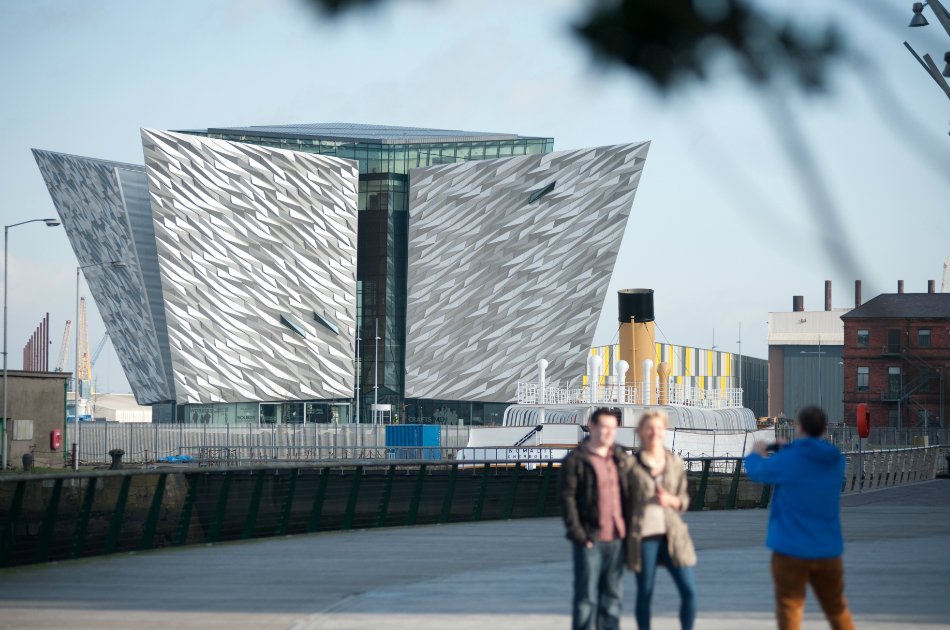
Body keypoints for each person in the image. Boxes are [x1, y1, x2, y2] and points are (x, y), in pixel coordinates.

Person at [744, 405, 855, 630]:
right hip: (827, 549)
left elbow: (757, 472)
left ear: (799, 427)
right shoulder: (835, 460)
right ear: (824, 428)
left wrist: (756, 452)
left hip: (790, 549)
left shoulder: (789, 460)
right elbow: (809, 460)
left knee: (790, 609)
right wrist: (791, 449)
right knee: (836, 609)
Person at [625, 409, 697, 630]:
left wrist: (671, 500)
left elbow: (684, 500)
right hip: (643, 535)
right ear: (641, 431)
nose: (654, 432)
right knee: (645, 592)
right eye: (649, 428)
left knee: (689, 591)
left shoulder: (674, 462)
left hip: (673, 534)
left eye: (658, 427)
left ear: (664, 430)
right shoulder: (630, 465)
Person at [560, 407, 631, 630]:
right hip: (590, 538)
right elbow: (567, 499)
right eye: (604, 427)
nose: (608, 433)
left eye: (612, 428)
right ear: (592, 427)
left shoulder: (619, 456)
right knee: (586, 599)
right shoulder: (577, 460)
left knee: (612, 599)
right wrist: (579, 534)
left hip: (617, 538)